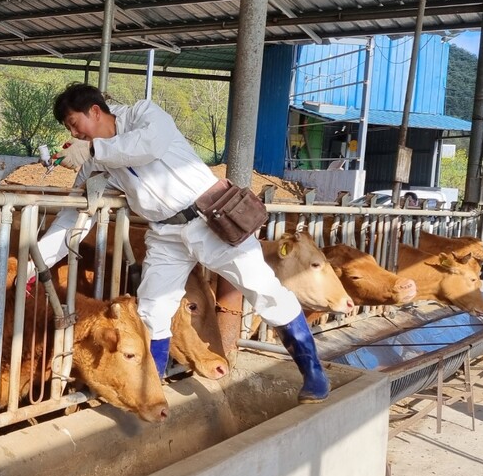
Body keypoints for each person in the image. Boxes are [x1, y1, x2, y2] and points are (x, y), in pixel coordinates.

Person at [34, 83, 329, 403]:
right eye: (70, 130)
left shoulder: (143, 115)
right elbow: (76, 214)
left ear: (94, 111)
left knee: (263, 289)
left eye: (74, 124)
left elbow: (147, 146)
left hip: (209, 220)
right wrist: (37, 263)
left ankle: (313, 372)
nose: (75, 134)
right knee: (152, 309)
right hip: (165, 235)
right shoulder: (94, 160)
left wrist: (93, 150)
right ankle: (152, 390)